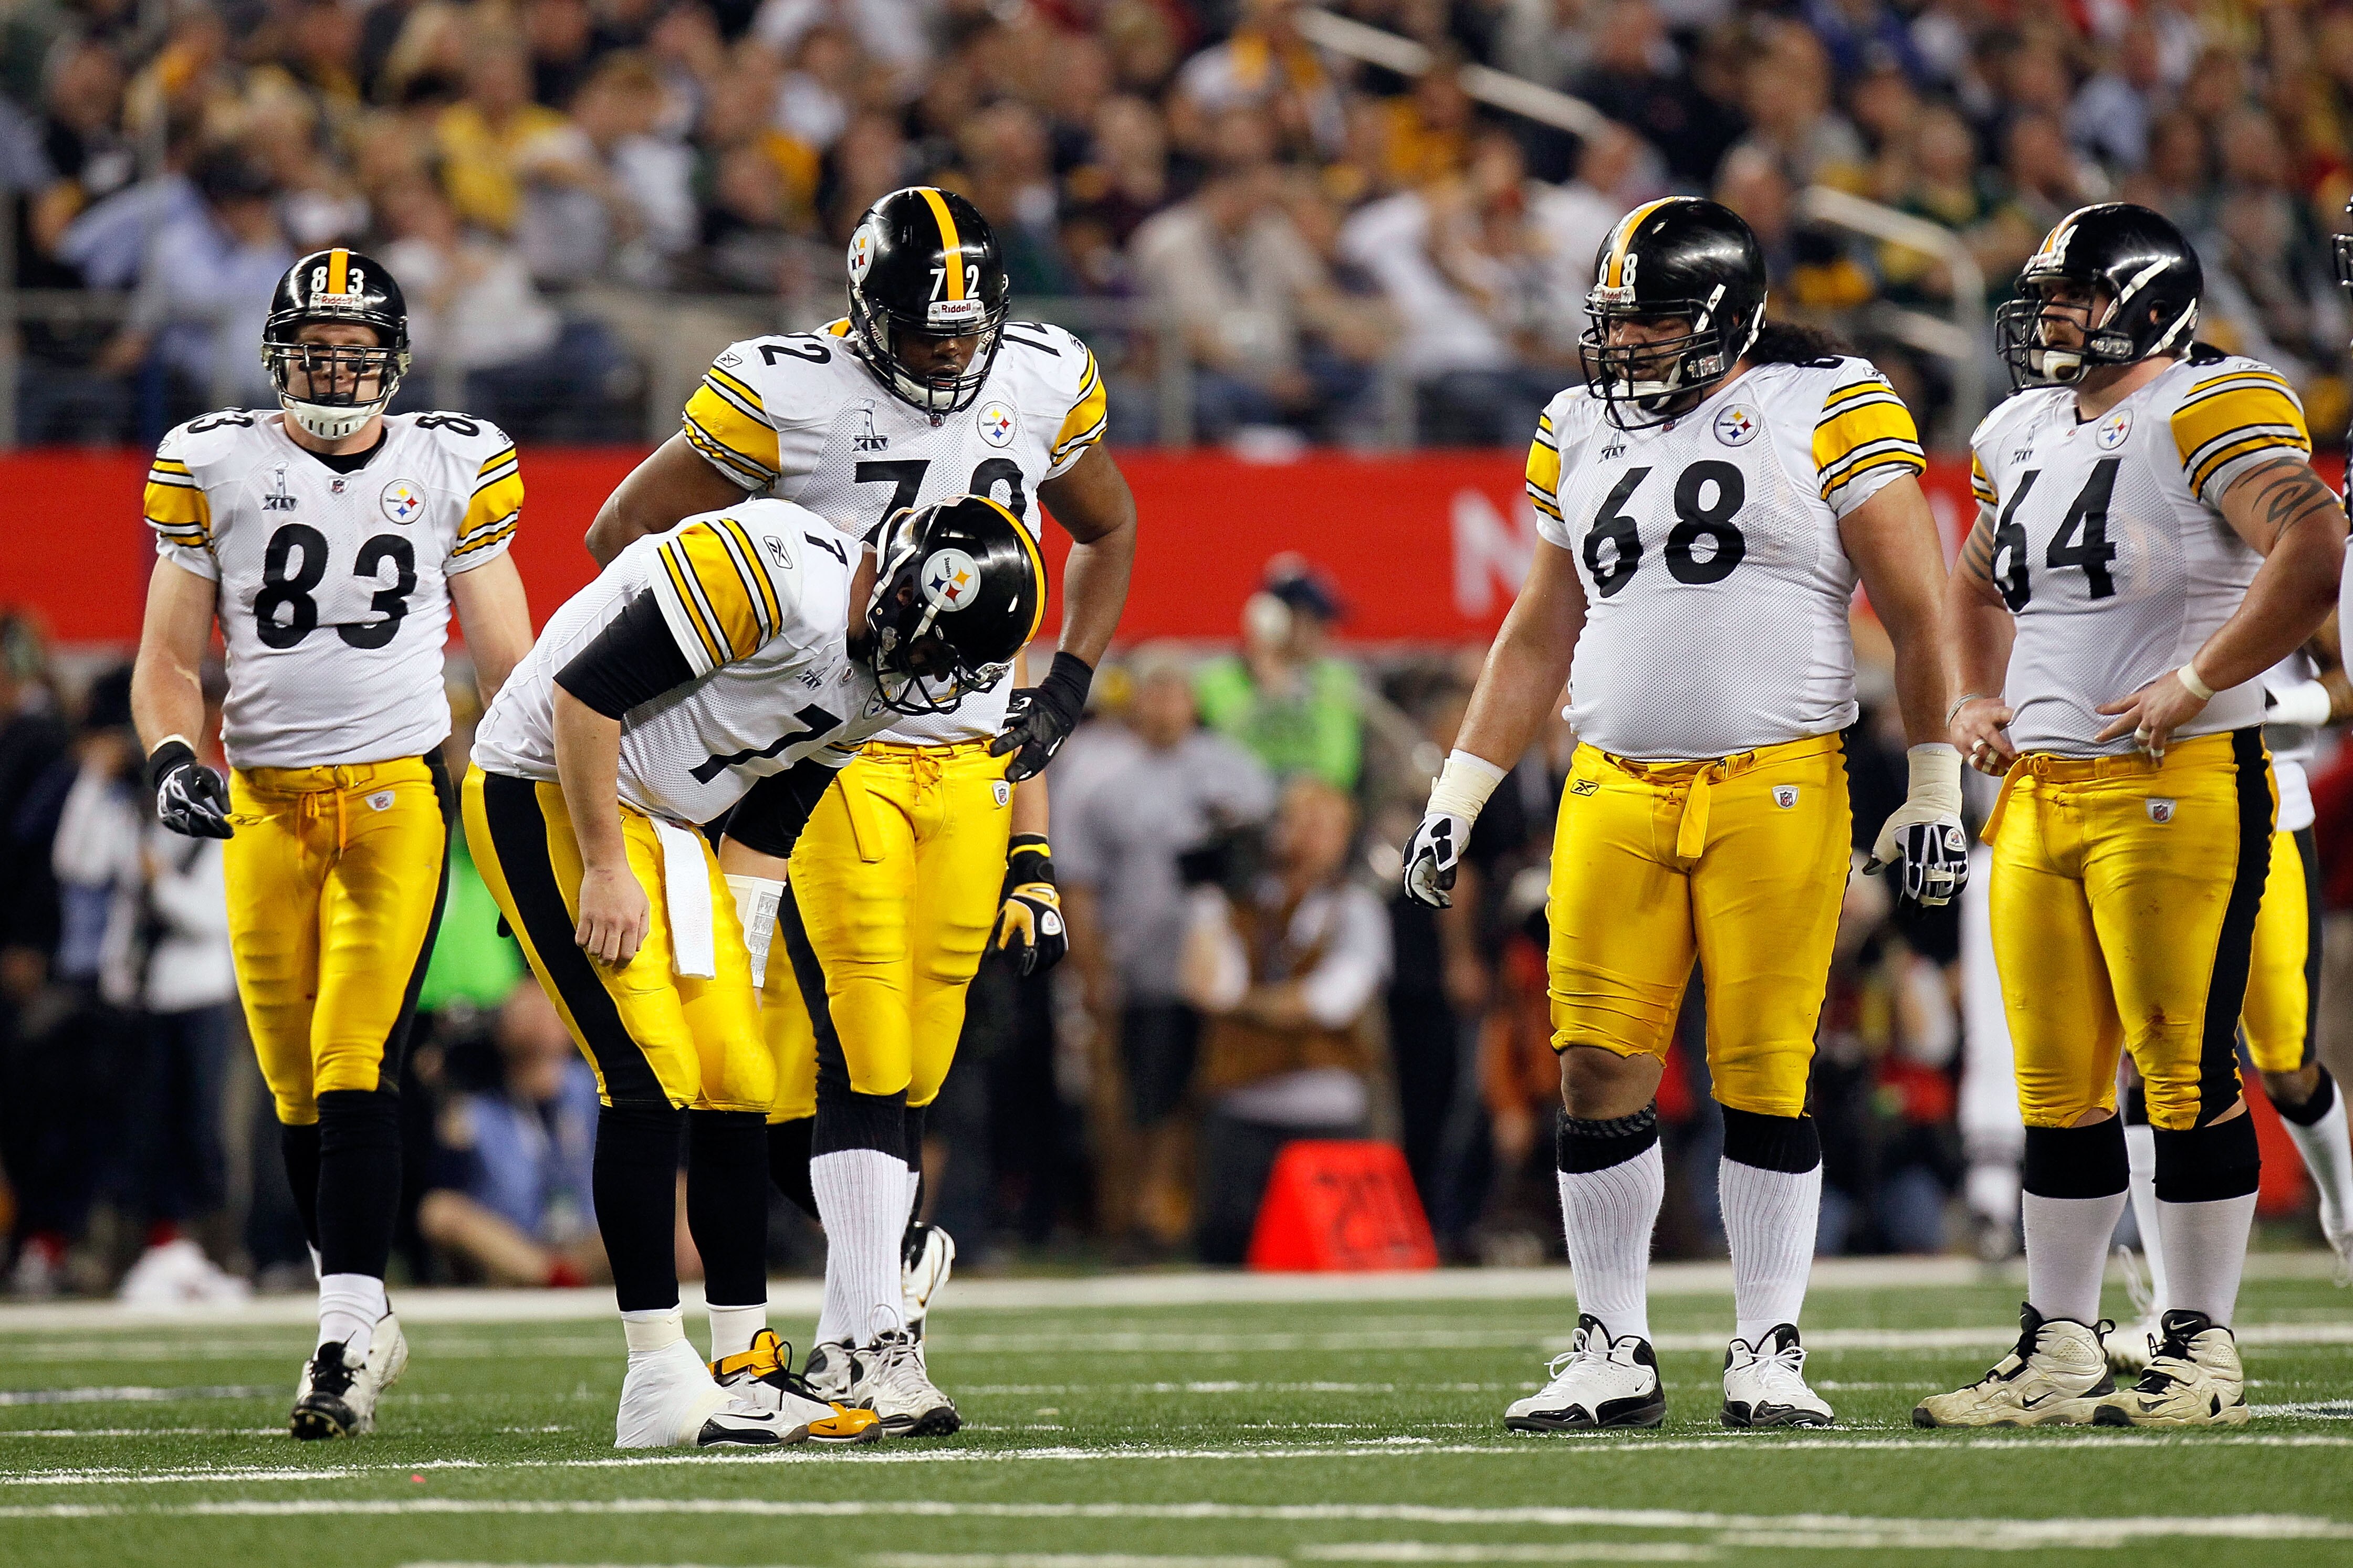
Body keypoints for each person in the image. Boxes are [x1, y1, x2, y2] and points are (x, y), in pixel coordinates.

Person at [580, 186, 1136, 1435]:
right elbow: (623, 531)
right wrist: (718, 688)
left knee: (902, 1070)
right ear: (867, 312)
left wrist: (1072, 679)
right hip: (835, 755)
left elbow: (1110, 522)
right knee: (857, 1053)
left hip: (971, 768)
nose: (950, 352)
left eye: (966, 328)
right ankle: (874, 1337)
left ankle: (861, 1315)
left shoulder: (1044, 372)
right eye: (924, 331)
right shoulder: (788, 388)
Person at [1402, 198, 1964, 1431]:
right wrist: (1460, 788)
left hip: (1779, 774)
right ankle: (1612, 1343)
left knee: (1765, 1070)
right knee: (1596, 1061)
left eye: (1654, 317)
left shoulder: (1832, 399)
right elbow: (1538, 627)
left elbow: (1919, 610)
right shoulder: (1576, 423)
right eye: (1617, 319)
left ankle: (1768, 1343)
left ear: (1722, 317)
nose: (1629, 343)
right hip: (1612, 777)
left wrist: (1931, 783)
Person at [467, 491, 1041, 1447]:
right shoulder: (779, 570)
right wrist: (603, 865)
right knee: (650, 1075)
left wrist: (746, 950)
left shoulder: (878, 681)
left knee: (739, 1071)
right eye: (939, 648)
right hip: (548, 783)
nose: (937, 677)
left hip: (674, 826)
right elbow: (582, 694)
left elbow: (771, 825)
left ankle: (747, 1368)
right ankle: (655, 1371)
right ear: (905, 589)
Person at [1921, 204, 2344, 1429]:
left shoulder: (2213, 400)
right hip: (2043, 794)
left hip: (2181, 782)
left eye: (2073, 298)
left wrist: (2203, 676)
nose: (2048, 319)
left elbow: (2313, 544)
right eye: (2045, 299)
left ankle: (2201, 1345)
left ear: (2148, 301)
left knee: (2183, 1065)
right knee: (2057, 1086)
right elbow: (1975, 575)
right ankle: (2060, 1346)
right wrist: (1972, 690)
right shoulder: (2016, 428)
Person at [128, 248, 536, 1438]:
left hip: (401, 794)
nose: (337, 375)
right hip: (264, 799)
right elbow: (167, 657)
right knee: (296, 1089)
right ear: (279, 355)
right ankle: (356, 1304)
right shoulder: (216, 461)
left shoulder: (449, 458)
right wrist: (168, 758)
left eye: (358, 357)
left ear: (394, 363)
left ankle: (344, 1334)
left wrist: (531, 815)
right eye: (317, 352)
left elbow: (508, 665)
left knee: (357, 1058)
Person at [1180, 776, 1390, 1264]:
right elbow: (1207, 988)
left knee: (1333, 1260)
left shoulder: (1355, 908)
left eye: (1324, 827)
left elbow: (1333, 1001)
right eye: (1299, 823)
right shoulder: (1240, 905)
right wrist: (1205, 896)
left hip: (1328, 1114)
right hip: (1242, 1108)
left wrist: (1246, 1006)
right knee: (1226, 1250)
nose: (1308, 838)